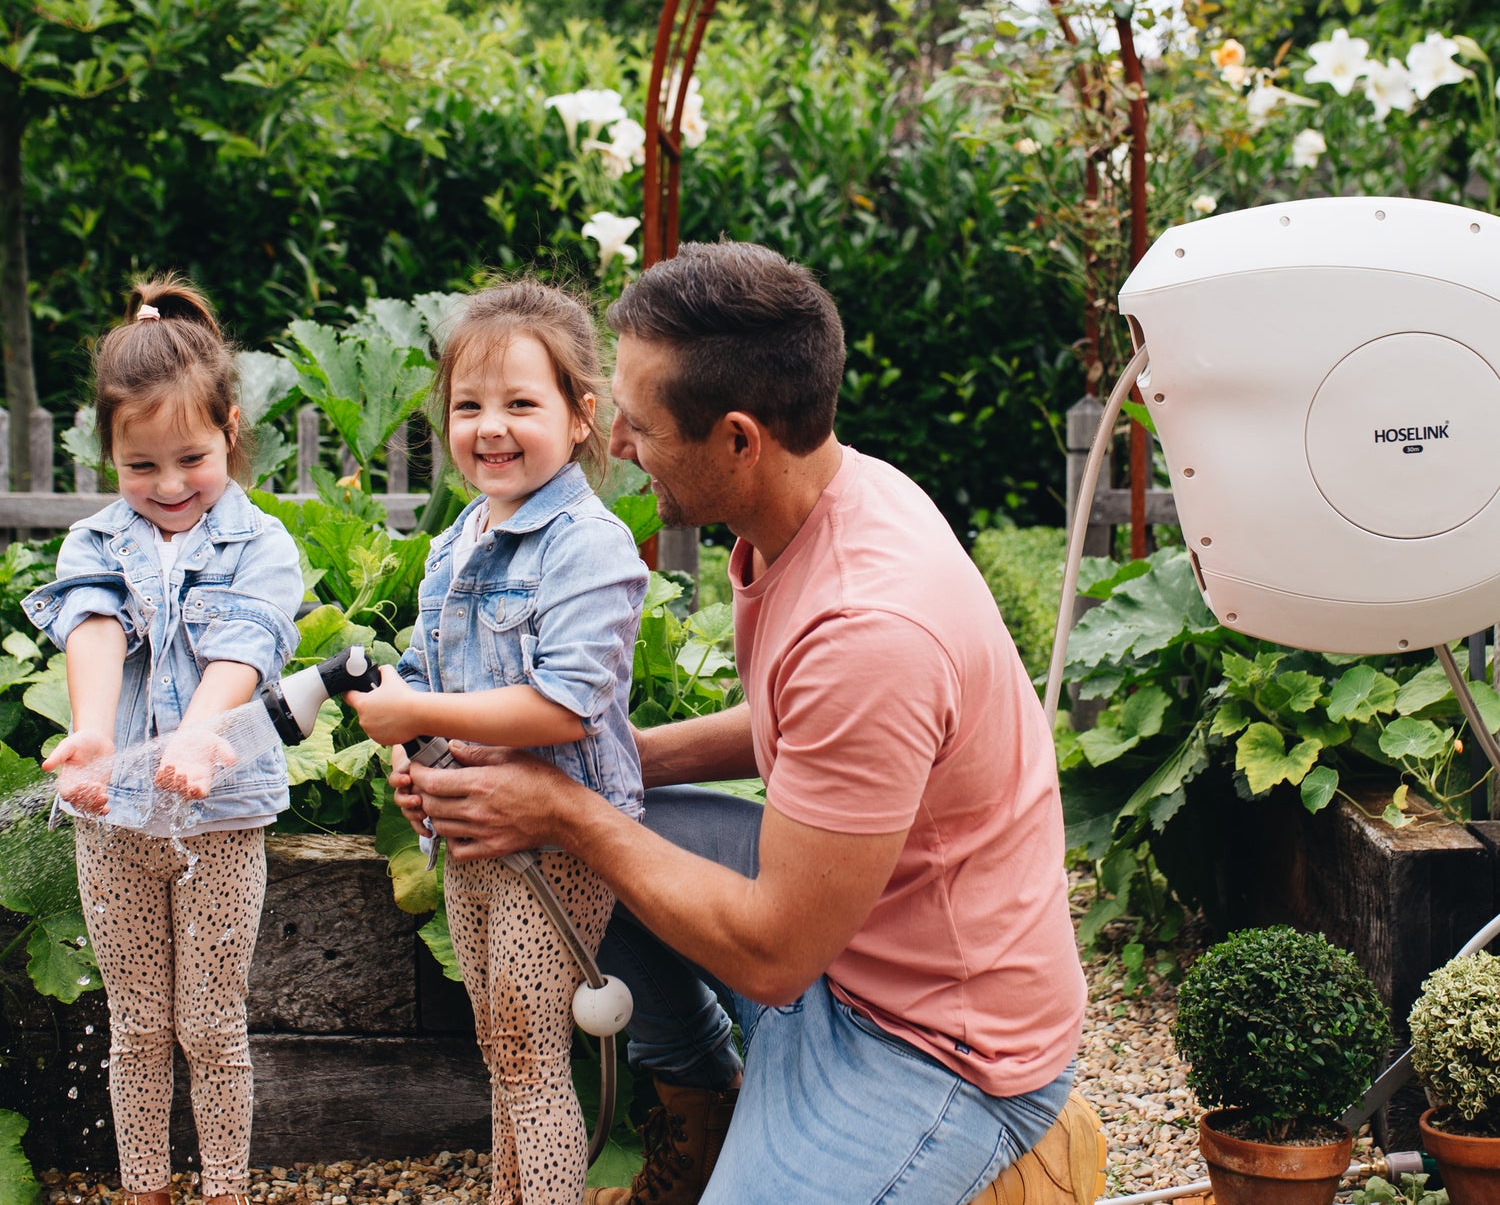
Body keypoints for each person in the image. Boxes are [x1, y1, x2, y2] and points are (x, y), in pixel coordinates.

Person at [396, 241, 1091, 1205]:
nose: (623, 447)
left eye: (640, 426)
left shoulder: (871, 628)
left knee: (594, 829)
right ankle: (702, 1098)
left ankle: (1017, 1151)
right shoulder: (829, 502)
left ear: (737, 439)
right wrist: (606, 762)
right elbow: (786, 719)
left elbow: (773, 954)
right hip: (842, 934)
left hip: (934, 1041)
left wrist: (563, 807)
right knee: (613, 812)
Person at [346, 278, 648, 1205]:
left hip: (560, 837)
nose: (491, 427)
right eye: (469, 405)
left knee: (527, 1051)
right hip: (473, 830)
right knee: (500, 1044)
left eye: (522, 403)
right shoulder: (457, 542)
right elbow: (435, 682)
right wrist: (413, 758)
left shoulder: (587, 546)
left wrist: (423, 719)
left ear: (581, 415)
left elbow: (565, 706)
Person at [23, 275, 303, 1205]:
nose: (171, 486)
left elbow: (249, 644)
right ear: (108, 453)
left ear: (228, 427)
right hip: (115, 826)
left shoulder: (262, 543)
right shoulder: (93, 546)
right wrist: (96, 738)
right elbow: (93, 629)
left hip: (219, 820)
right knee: (138, 1025)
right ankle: (145, 1188)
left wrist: (195, 735)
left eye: (191, 457)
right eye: (141, 468)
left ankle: (224, 1189)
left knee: (214, 1027)